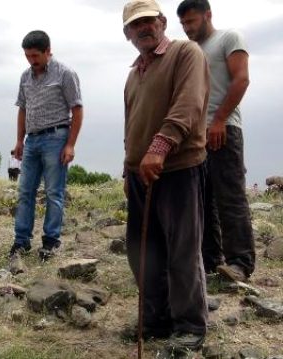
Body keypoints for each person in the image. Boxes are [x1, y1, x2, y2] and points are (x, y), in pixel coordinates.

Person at [121, 0, 210, 352]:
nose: (144, 28)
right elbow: (132, 126)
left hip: (178, 168)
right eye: (135, 24)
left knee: (182, 251)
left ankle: (189, 325)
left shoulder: (185, 53)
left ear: (161, 21)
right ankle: (156, 319)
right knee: (142, 252)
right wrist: (129, 166)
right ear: (127, 34)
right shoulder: (134, 73)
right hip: (140, 173)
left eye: (149, 20)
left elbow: (189, 105)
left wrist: (160, 146)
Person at [178, 0, 254, 283]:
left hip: (224, 129)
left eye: (191, 22)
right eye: (183, 24)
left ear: (208, 15)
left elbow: (241, 79)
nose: (187, 28)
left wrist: (220, 120)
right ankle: (211, 261)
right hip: (196, 135)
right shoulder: (192, 50)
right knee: (202, 199)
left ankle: (240, 263)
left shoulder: (229, 38)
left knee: (230, 196)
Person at [7, 30, 83, 274]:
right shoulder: (25, 77)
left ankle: (51, 241)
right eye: (28, 56)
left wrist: (70, 144)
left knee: (53, 192)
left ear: (48, 51)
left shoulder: (65, 74)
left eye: (36, 55)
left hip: (57, 137)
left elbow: (77, 109)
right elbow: (22, 109)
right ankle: (21, 241)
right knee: (25, 191)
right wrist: (19, 140)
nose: (32, 60)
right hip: (32, 140)